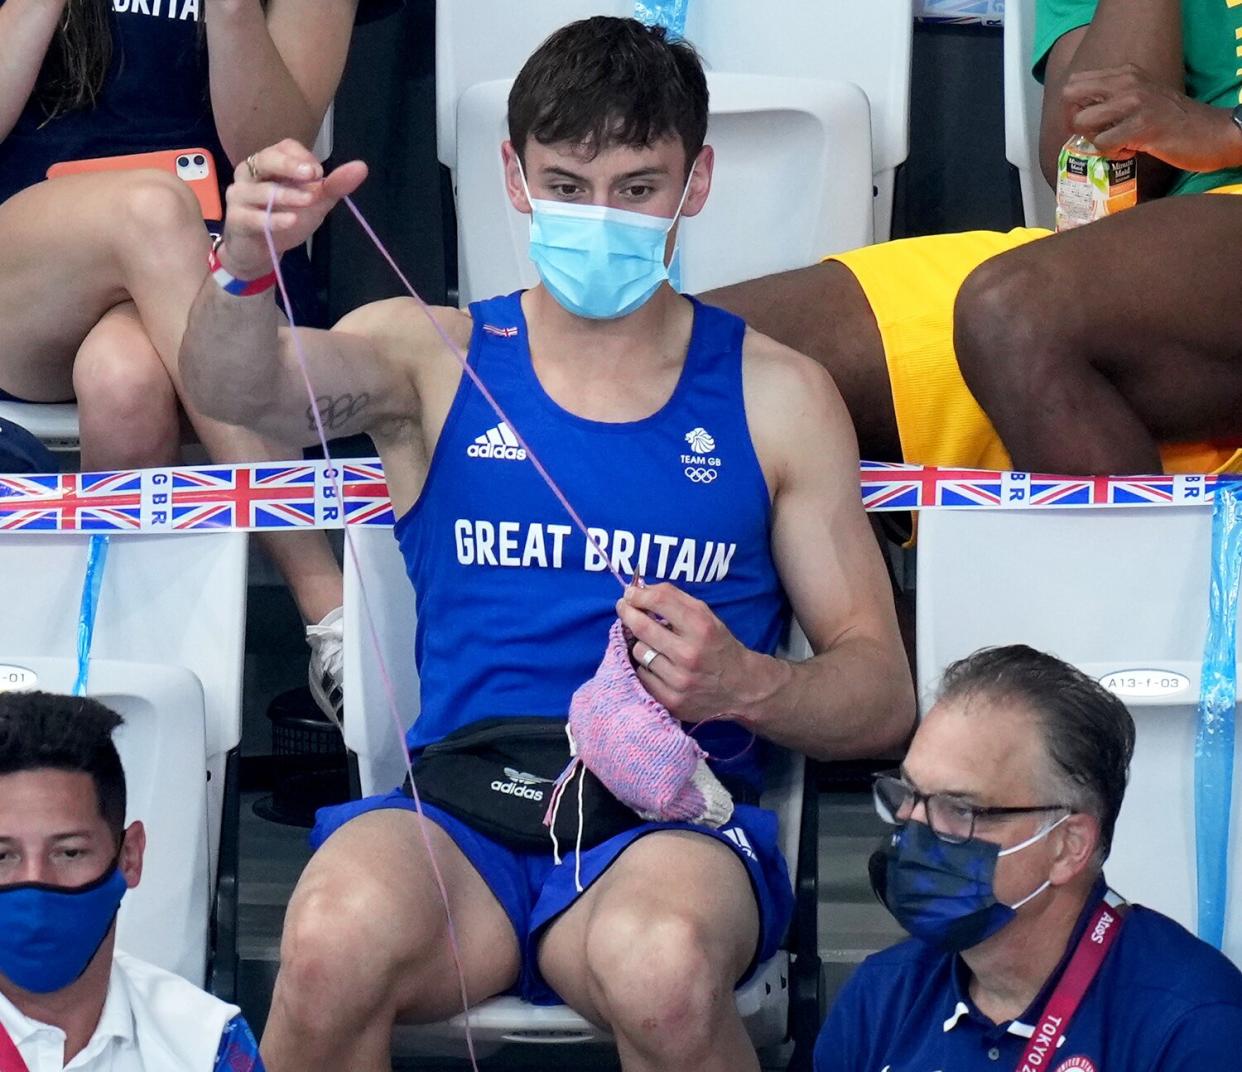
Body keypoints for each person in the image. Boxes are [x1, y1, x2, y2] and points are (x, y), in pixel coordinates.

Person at [179, 16, 915, 1072]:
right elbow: (232, 389)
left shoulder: (777, 394)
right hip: (461, 815)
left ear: (695, 182)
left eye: (636, 187)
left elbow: (881, 692)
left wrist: (748, 683)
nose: (598, 217)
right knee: (328, 940)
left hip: (658, 825)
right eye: (566, 183)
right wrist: (245, 263)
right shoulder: (431, 356)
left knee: (660, 968)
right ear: (514, 178)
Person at [0, 0, 399, 722]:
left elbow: (276, 147)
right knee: (151, 208)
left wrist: (234, 10)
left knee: (125, 379)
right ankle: (326, 601)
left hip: (222, 272)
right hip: (27, 274)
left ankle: (124, 707)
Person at [707, 0, 1242, 480]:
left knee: (1015, 311)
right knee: (704, 356)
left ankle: (1140, 588)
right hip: (1154, 247)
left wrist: (1227, 132)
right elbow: (1096, 158)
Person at [815, 645, 1242, 1071]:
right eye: (908, 795)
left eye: (960, 809)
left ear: (1068, 846)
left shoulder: (1195, 1027)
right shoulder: (881, 994)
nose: (913, 829)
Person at [0, 689, 266, 1071]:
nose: (35, 881)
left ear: (130, 857)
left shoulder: (207, 1045)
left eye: (69, 852)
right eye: (3, 856)